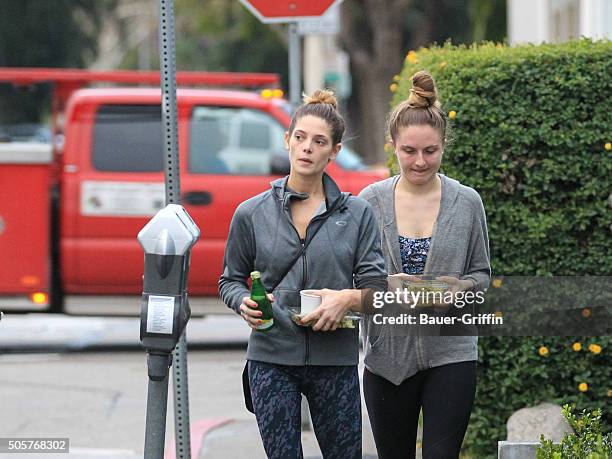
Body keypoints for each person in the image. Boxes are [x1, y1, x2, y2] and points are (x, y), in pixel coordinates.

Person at [219, 89, 387, 459]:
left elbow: (377, 291)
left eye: (319, 141)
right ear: (287, 140)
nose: (307, 148)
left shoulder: (357, 215)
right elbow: (229, 280)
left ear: (335, 151)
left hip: (336, 361)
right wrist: (241, 302)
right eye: (300, 137)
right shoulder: (251, 212)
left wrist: (347, 299)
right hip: (271, 358)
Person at [358, 70, 491, 459]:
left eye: (430, 151)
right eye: (409, 151)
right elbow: (353, 277)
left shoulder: (467, 202)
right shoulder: (369, 201)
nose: (419, 161)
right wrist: (387, 285)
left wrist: (461, 289)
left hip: (451, 351)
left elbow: (481, 275)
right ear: (393, 146)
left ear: (444, 145)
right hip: (386, 357)